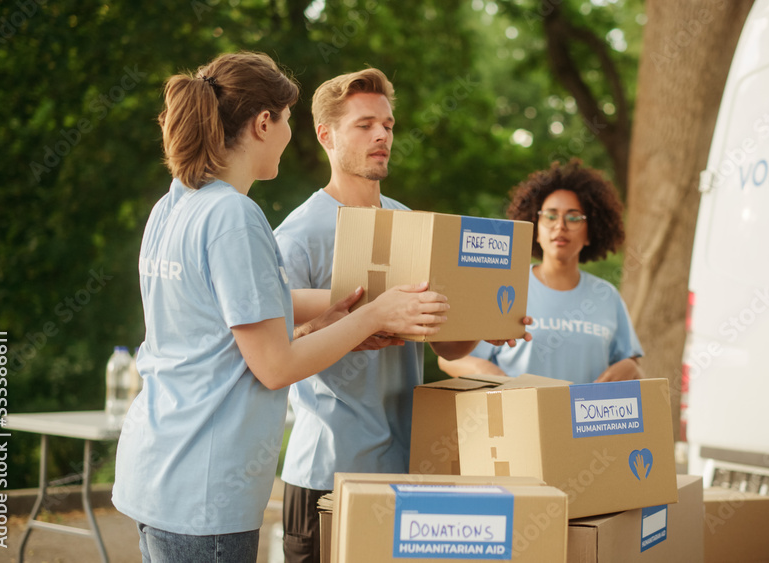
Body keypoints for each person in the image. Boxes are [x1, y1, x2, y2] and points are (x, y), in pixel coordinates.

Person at [112, 53, 449, 562]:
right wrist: (372, 317)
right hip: (206, 488)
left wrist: (336, 314)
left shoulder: (174, 203)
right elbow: (274, 368)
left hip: (156, 470)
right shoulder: (235, 217)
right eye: (289, 120)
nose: (291, 138)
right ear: (264, 123)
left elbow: (228, 317)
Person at [273, 68, 526, 563]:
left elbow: (447, 344)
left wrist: (490, 321)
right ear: (326, 135)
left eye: (388, 125)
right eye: (365, 125)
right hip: (327, 475)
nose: (383, 135)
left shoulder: (411, 224)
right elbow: (276, 352)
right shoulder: (296, 237)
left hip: (407, 469)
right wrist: (346, 325)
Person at [439, 158, 644, 384]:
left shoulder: (607, 296)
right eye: (550, 216)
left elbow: (631, 361)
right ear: (535, 229)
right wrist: (492, 374)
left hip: (585, 418)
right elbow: (449, 358)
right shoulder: (504, 286)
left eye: (574, 217)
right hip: (517, 416)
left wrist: (630, 366)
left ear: (590, 233)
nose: (560, 225)